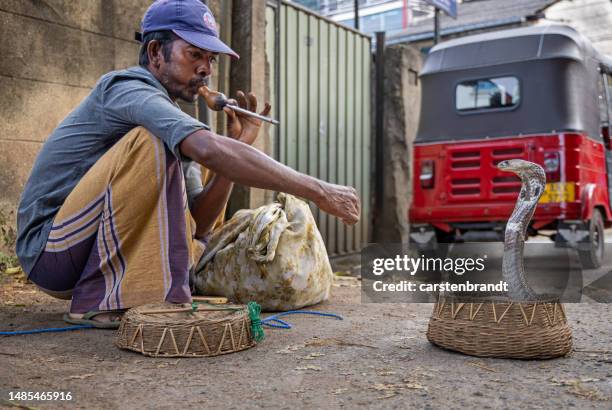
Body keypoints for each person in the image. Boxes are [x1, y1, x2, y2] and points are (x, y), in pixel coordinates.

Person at [15, 0, 360, 328]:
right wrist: (318, 190)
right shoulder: (125, 87)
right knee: (169, 142)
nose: (205, 70)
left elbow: (197, 225)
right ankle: (98, 301)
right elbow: (207, 148)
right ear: (155, 53)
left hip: (79, 253)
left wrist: (240, 145)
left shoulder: (173, 116)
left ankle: (135, 289)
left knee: (212, 150)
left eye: (211, 60)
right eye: (194, 54)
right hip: (49, 254)